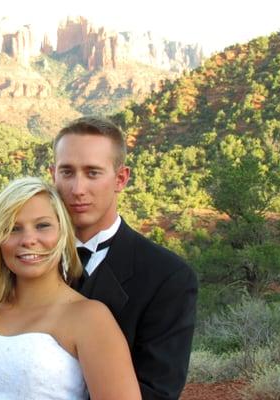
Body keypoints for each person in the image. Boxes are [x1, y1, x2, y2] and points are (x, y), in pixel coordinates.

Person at [0, 177, 141, 400]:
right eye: (13, 228)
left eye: (42, 226)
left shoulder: (90, 318)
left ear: (62, 232)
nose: (28, 239)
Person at [51, 117, 198, 400]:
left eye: (93, 173)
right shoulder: (23, 260)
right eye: (67, 172)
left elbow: (157, 392)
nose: (78, 189)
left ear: (121, 178)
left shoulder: (168, 277)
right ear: (52, 174)